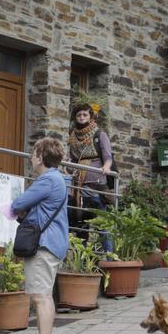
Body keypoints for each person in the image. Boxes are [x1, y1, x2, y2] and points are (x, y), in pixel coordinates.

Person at [10, 137, 69, 334]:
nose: (31, 157)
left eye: (34, 153)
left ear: (41, 157)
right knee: (45, 295)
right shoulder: (57, 179)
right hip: (53, 244)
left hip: (44, 245)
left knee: (41, 297)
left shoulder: (47, 180)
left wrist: (12, 209)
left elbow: (18, 203)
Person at [67, 103, 113, 252]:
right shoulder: (73, 136)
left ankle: (109, 259)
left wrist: (106, 167)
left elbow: (108, 157)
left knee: (102, 226)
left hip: (97, 185)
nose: (81, 118)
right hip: (79, 187)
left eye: (85, 115)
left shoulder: (99, 134)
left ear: (91, 116)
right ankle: (83, 263)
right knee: (81, 225)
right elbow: (73, 160)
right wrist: (69, 166)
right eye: (79, 115)